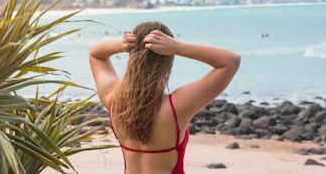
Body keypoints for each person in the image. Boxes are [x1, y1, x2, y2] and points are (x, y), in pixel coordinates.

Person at [89, 21, 240, 174]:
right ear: (168, 60)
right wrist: (178, 47)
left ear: (131, 54)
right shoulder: (176, 107)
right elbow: (230, 61)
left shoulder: (113, 99)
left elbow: (95, 54)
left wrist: (121, 44)